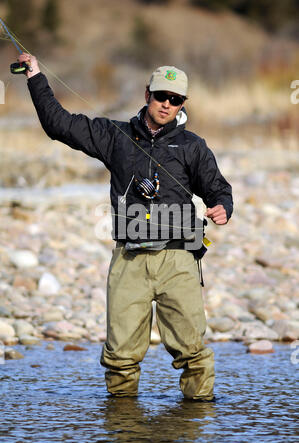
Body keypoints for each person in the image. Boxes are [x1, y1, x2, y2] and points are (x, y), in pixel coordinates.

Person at [18, 53, 233, 401]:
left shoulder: (194, 147)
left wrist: (224, 207)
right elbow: (57, 124)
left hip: (178, 261)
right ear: (147, 93)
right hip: (128, 261)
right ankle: (122, 429)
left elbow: (219, 190)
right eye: (161, 96)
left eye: (175, 100)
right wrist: (35, 77)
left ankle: (195, 426)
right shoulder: (114, 136)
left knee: (194, 354)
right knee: (119, 358)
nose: (166, 104)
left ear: (183, 104)